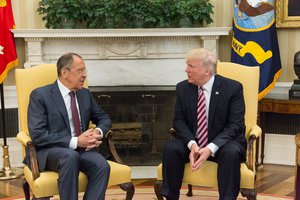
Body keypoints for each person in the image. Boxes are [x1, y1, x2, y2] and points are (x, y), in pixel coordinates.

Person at [161, 48, 247, 200]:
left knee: (231, 153)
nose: (186, 69)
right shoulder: (183, 88)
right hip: (194, 141)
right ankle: (170, 197)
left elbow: (235, 125)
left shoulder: (233, 88)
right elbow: (178, 121)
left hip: (223, 143)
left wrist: (210, 148)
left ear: (207, 71)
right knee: (171, 148)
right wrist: (192, 144)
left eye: (191, 66)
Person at [26, 53, 112, 200]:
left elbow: (104, 118)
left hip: (82, 150)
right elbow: (38, 134)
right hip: (50, 150)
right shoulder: (40, 95)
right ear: (64, 72)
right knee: (70, 156)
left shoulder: (85, 94)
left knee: (102, 165)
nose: (85, 75)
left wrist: (97, 131)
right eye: (80, 70)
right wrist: (76, 141)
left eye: (85, 71)